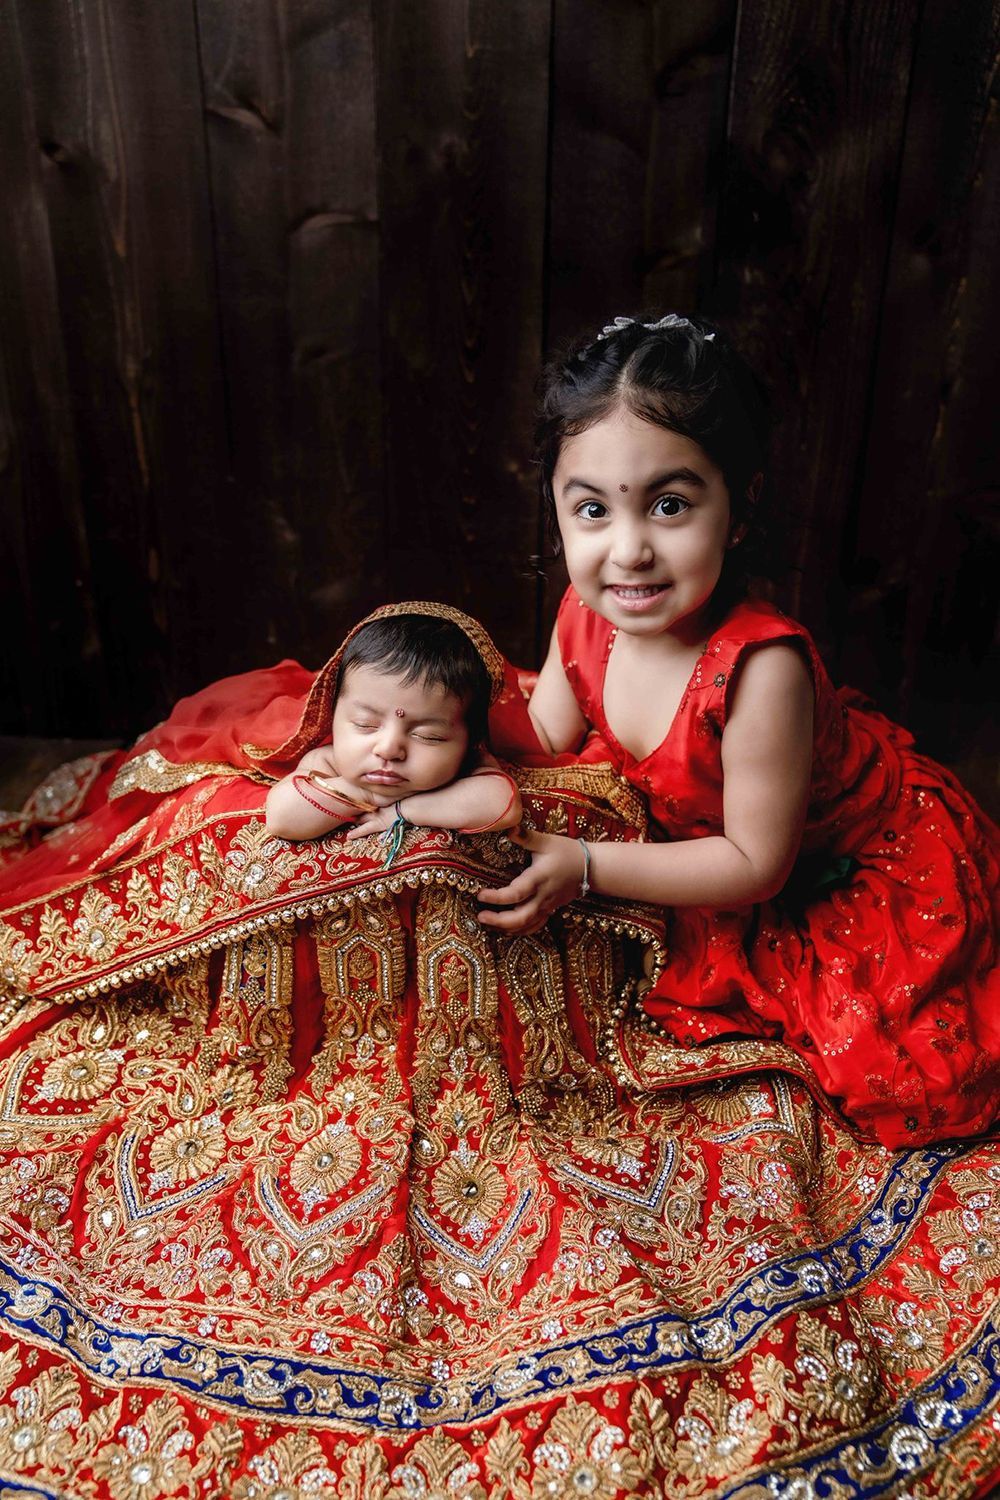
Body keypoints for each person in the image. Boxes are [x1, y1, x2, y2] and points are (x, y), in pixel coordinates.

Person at [479, 311, 1000, 1149]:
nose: (629, 550)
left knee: (893, 1075)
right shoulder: (584, 612)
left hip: (835, 864)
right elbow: (546, 734)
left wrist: (582, 867)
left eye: (671, 505)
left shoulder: (763, 670)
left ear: (740, 509)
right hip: (714, 843)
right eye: (591, 511)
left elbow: (756, 864)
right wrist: (444, 713)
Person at [263, 612, 521, 849]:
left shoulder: (470, 763)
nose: (388, 749)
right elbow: (282, 817)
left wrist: (402, 809)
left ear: (470, 740)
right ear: (333, 715)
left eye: (427, 736)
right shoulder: (326, 761)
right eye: (366, 724)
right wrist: (365, 792)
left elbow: (502, 806)